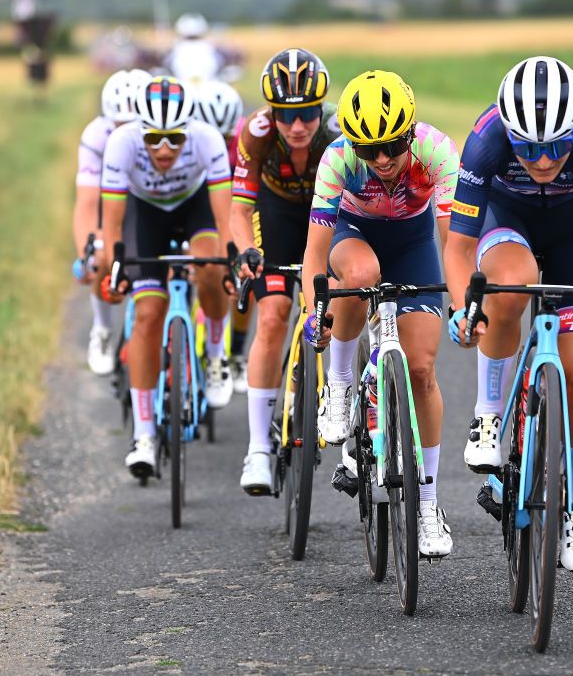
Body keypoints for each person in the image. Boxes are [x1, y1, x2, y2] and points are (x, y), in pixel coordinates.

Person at [444, 56, 573, 572]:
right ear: (509, 133)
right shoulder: (486, 139)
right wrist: (463, 309)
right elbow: (457, 248)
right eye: (529, 148)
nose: (542, 160)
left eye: (555, 147)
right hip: (507, 220)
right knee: (510, 286)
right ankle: (490, 416)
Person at [300, 70, 460, 558]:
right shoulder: (336, 159)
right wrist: (313, 311)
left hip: (413, 242)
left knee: (422, 370)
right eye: (370, 150)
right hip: (354, 233)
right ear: (352, 144)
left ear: (411, 133)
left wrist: (461, 302)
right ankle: (342, 385)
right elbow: (314, 254)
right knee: (361, 274)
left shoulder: (436, 152)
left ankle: (428, 504)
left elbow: (455, 242)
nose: (384, 160)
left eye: (393, 145)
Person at [100, 76, 234, 479]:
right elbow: (113, 223)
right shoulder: (121, 143)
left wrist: (230, 262)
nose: (163, 149)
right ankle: (143, 435)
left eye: (174, 139)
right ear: (140, 130)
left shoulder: (207, 140)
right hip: (146, 214)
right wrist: (115, 267)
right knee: (147, 315)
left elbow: (225, 218)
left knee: (211, 266)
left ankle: (214, 354)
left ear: (188, 131)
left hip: (194, 206)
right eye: (154, 138)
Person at [230, 48, 340, 497]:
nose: (297, 127)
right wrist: (245, 252)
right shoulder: (255, 134)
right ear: (271, 113)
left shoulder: (337, 133)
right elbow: (239, 210)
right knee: (273, 314)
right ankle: (257, 448)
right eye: (286, 116)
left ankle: (342, 405)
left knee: (344, 307)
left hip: (328, 217)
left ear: (321, 109)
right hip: (275, 217)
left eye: (307, 115)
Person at [73, 69, 150, 375]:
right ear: (108, 121)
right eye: (120, 125)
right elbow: (88, 203)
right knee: (104, 254)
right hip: (113, 202)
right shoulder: (96, 136)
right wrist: (87, 253)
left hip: (151, 201)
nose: (126, 134)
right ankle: (103, 329)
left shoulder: (162, 134)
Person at [192, 79, 251, 393]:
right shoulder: (189, 137)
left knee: (247, 277)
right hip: (202, 206)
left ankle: (237, 352)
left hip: (240, 206)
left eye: (226, 136)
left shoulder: (244, 136)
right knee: (200, 262)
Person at [167, 13, 219, 86]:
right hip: (208, 85)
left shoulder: (178, 46)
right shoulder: (208, 46)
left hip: (181, 86)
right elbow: (218, 63)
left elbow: (168, 64)